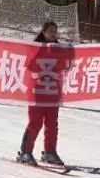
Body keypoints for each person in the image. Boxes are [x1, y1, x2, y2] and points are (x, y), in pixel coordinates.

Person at [18, 21, 65, 166]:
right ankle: (25, 152)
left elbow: (64, 66)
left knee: (52, 123)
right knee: (35, 122)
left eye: (55, 31)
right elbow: (28, 65)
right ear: (43, 32)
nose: (53, 33)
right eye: (50, 30)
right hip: (37, 91)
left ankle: (50, 151)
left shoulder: (59, 48)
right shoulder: (35, 47)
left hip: (52, 92)